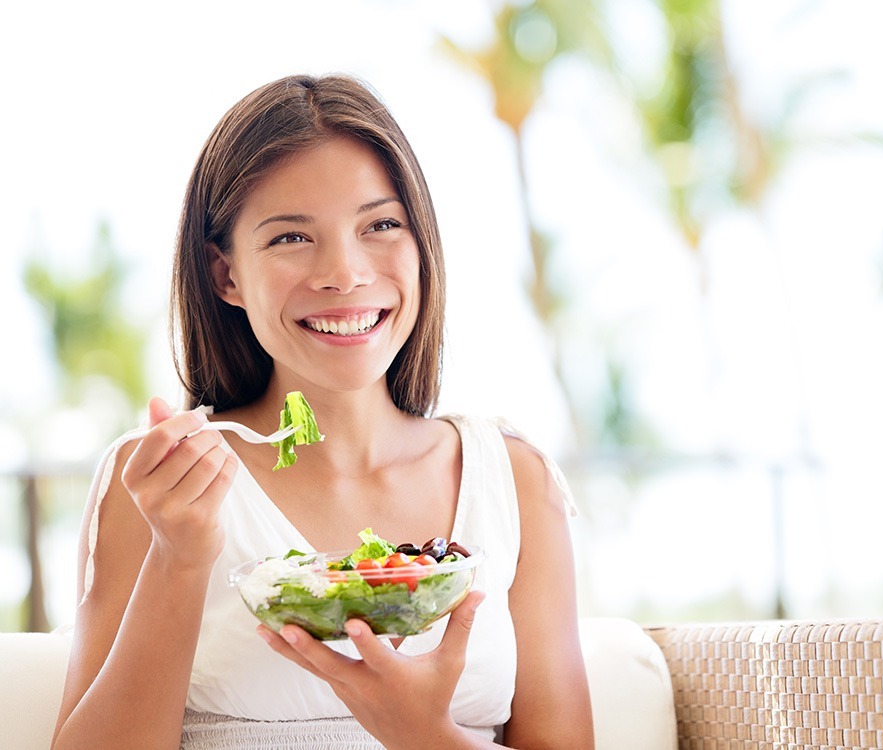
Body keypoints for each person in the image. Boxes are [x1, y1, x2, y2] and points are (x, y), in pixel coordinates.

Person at [50, 74, 594, 749]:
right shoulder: (160, 484)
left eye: (380, 225)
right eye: (290, 239)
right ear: (226, 276)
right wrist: (179, 558)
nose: (345, 272)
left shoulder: (513, 479)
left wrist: (424, 734)